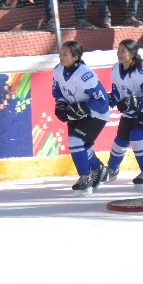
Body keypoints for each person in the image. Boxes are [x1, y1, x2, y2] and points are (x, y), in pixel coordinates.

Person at [52, 40, 110, 195]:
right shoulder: (58, 70)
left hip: (96, 113)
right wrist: (61, 105)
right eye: (61, 54)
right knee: (80, 146)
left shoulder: (85, 74)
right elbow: (58, 92)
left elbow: (102, 100)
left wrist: (83, 107)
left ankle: (85, 178)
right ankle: (98, 168)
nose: (61, 57)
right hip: (75, 113)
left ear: (75, 57)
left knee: (75, 142)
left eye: (65, 54)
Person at [107, 37, 143, 187]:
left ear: (132, 53)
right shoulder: (115, 69)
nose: (119, 54)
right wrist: (107, 100)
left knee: (137, 136)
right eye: (118, 50)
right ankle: (112, 170)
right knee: (120, 141)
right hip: (132, 111)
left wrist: (135, 103)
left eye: (123, 51)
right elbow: (116, 94)